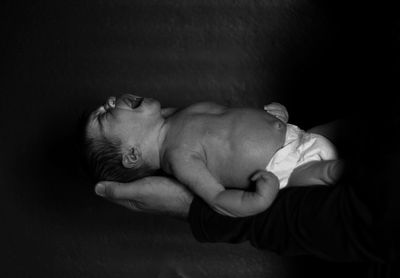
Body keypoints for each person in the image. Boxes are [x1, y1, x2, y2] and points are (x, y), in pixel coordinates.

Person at [83, 94, 342, 217]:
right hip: (288, 169)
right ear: (131, 155)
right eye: (105, 115)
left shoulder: (179, 117)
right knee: (332, 172)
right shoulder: (178, 157)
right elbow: (217, 198)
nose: (110, 100)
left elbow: (235, 125)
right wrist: (259, 201)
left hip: (301, 137)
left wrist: (275, 119)